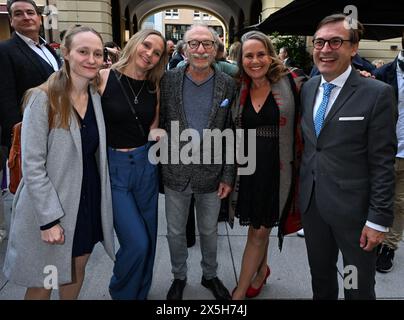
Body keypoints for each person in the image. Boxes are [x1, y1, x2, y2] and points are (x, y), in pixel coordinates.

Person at [2, 25, 115, 299]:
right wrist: (49, 220)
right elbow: (32, 166)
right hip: (54, 205)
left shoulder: (96, 97)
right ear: (65, 53)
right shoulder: (42, 98)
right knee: (45, 279)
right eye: (83, 52)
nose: (91, 59)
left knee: (76, 267)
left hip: (86, 199)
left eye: (97, 54)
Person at [299, 14, 396, 300]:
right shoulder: (308, 88)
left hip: (355, 215)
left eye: (336, 41)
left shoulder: (377, 94)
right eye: (319, 42)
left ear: (354, 48)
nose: (325, 49)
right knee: (321, 279)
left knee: (356, 286)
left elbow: (382, 163)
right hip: (313, 207)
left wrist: (378, 220)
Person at [160, 24, 236, 300]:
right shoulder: (167, 80)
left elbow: (231, 132)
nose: (201, 49)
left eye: (207, 44)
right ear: (184, 49)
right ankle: (179, 277)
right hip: (175, 172)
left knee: (209, 231)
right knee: (175, 232)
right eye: (194, 44)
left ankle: (210, 275)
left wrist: (228, 175)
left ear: (217, 49)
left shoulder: (228, 83)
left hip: (213, 174)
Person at [230, 31, 302, 300]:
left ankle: (238, 293)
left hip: (277, 170)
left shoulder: (292, 83)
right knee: (260, 226)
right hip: (249, 170)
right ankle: (262, 271)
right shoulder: (239, 87)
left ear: (271, 55)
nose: (255, 60)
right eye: (249, 55)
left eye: (261, 54)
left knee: (258, 233)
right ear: (241, 59)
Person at [98, 29, 167, 300]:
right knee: (137, 242)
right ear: (135, 43)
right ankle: (122, 291)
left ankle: (140, 292)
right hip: (114, 168)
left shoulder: (154, 86)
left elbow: (153, 126)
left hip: (145, 165)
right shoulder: (102, 78)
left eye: (157, 52)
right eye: (146, 46)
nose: (149, 54)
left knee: (149, 238)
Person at [0, 0, 61, 149]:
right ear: (11, 21)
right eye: (18, 14)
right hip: (30, 133)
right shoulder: (4, 50)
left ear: (39, 18)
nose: (26, 17)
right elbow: (5, 99)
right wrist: (18, 138)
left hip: (58, 128)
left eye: (30, 12)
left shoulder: (48, 48)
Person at [373, 32, 404, 273]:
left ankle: (389, 247)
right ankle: (373, 237)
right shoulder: (383, 74)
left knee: (400, 203)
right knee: (376, 197)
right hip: (384, 149)